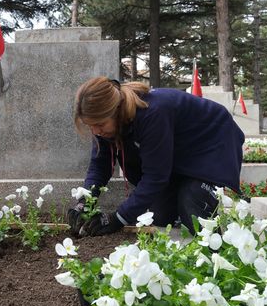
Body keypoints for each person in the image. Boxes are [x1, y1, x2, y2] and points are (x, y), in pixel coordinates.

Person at [68, 77, 244, 236]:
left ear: (117, 110)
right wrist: (85, 202)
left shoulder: (152, 112)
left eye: (99, 124)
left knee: (191, 202)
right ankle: (181, 205)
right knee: (156, 215)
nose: (95, 131)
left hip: (212, 144)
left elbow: (155, 177)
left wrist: (118, 218)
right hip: (179, 153)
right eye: (90, 126)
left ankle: (217, 250)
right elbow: (100, 166)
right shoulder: (106, 125)